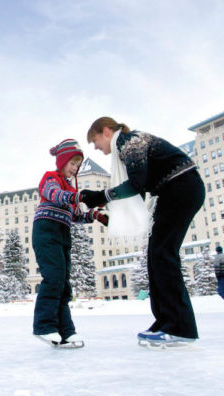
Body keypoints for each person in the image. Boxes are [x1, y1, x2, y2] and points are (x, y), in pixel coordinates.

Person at [80, 117, 205, 347]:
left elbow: (136, 185)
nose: (96, 148)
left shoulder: (130, 142)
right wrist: (111, 214)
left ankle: (179, 327)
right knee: (156, 256)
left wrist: (100, 196)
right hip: (174, 191)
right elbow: (139, 195)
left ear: (106, 131)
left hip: (181, 187)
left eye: (95, 141)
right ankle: (166, 320)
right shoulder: (127, 146)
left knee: (163, 254)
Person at [33, 139, 108, 347]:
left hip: (63, 233)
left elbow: (76, 216)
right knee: (54, 277)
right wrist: (79, 196)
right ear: (62, 161)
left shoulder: (69, 188)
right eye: (72, 164)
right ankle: (44, 325)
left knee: (64, 283)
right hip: (46, 230)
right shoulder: (51, 179)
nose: (74, 169)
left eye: (77, 165)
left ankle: (66, 332)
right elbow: (55, 196)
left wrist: (95, 215)